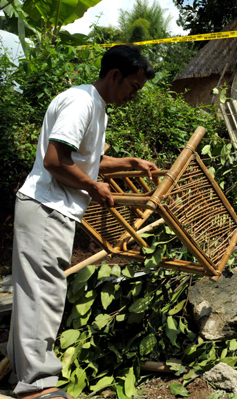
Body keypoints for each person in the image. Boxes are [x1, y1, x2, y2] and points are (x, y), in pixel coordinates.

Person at [8, 45, 159, 399]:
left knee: (35, 293)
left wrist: (131, 162)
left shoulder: (96, 106)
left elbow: (85, 161)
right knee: (43, 294)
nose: (133, 96)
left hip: (50, 209)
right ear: (115, 76)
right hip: (47, 207)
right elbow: (55, 161)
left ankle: (26, 378)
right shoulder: (82, 103)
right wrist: (94, 189)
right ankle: (37, 386)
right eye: (133, 88)